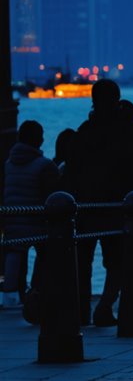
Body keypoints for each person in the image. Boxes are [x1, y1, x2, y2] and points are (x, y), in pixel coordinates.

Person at [72, 79, 133, 326]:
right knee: (119, 264)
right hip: (121, 210)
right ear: (117, 98)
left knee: (83, 262)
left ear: (93, 100)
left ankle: (80, 313)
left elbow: (73, 173)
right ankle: (105, 306)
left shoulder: (84, 133)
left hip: (85, 210)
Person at [2, 121, 59, 310]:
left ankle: (12, 293)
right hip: (36, 219)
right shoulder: (44, 166)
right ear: (38, 140)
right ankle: (36, 292)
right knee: (44, 254)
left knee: (15, 253)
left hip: (11, 218)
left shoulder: (8, 164)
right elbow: (51, 196)